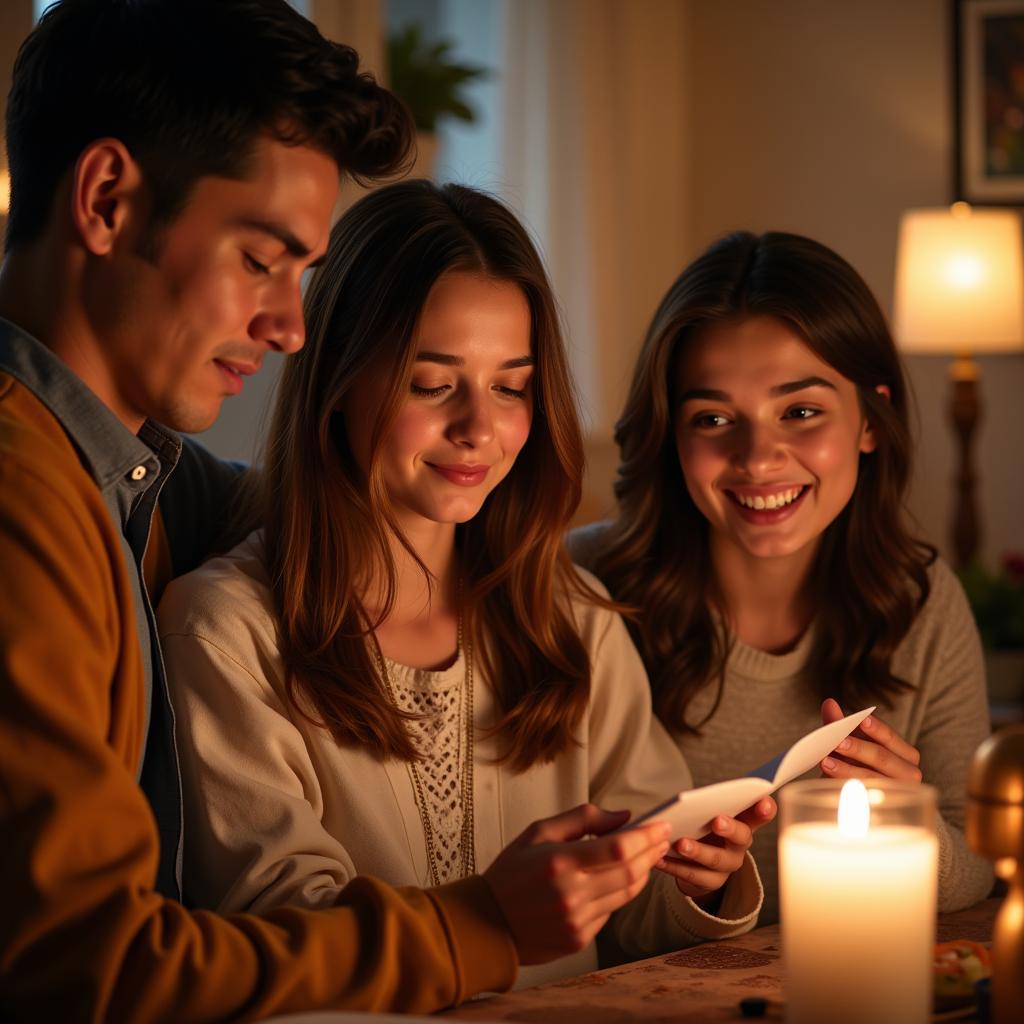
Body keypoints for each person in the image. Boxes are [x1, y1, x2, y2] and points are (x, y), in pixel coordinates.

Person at [0, 2, 673, 1019]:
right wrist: (482, 922)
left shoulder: (128, 476)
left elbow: (327, 513)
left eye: (305, 275)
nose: (287, 326)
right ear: (105, 200)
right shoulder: (22, 503)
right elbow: (86, 970)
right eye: (260, 259)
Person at [157, 181, 773, 988]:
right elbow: (279, 931)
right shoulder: (226, 633)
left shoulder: (571, 617)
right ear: (339, 380)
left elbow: (634, 923)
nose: (479, 427)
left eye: (511, 385)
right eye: (432, 382)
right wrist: (492, 909)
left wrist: (703, 873)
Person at [569, 230, 994, 925]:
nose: (758, 458)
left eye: (800, 412)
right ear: (670, 436)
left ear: (869, 421)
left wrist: (910, 826)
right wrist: (699, 890)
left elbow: (978, 861)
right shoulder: (580, 591)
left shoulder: (921, 599)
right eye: (712, 418)